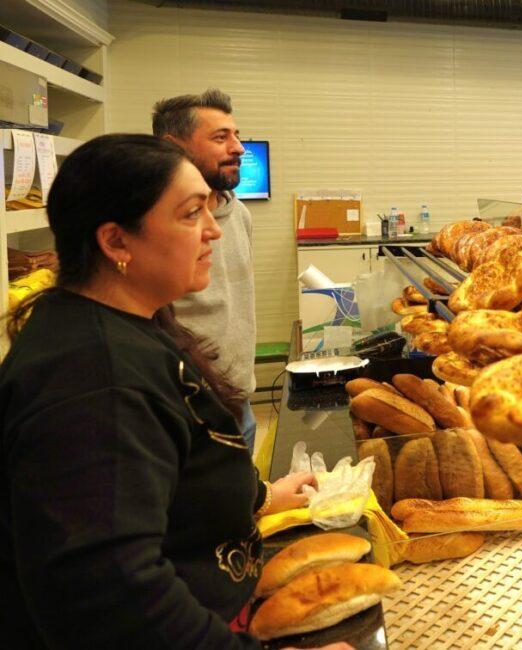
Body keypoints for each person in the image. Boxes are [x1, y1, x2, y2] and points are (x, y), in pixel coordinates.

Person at [0, 135, 336, 649]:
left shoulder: (125, 323)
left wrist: (259, 498)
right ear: (116, 242)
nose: (212, 232)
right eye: (189, 214)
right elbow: (113, 599)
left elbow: (168, 472)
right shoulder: (92, 378)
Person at [153, 89, 259, 452]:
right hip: (184, 407)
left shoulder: (238, 214)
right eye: (220, 137)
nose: (239, 148)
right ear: (174, 147)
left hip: (239, 398)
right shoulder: (156, 224)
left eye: (236, 136)